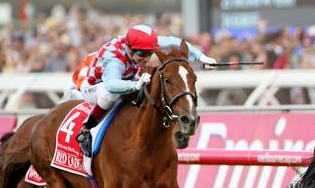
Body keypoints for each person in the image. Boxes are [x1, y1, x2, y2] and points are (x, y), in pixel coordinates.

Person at [74, 24, 217, 157]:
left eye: (150, 52)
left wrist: (202, 57)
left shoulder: (143, 43)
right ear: (130, 48)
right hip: (95, 86)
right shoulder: (114, 58)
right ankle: (86, 129)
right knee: (110, 94)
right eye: (143, 53)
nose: (148, 57)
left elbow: (176, 42)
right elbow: (111, 85)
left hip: (126, 78)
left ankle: (173, 126)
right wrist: (135, 86)